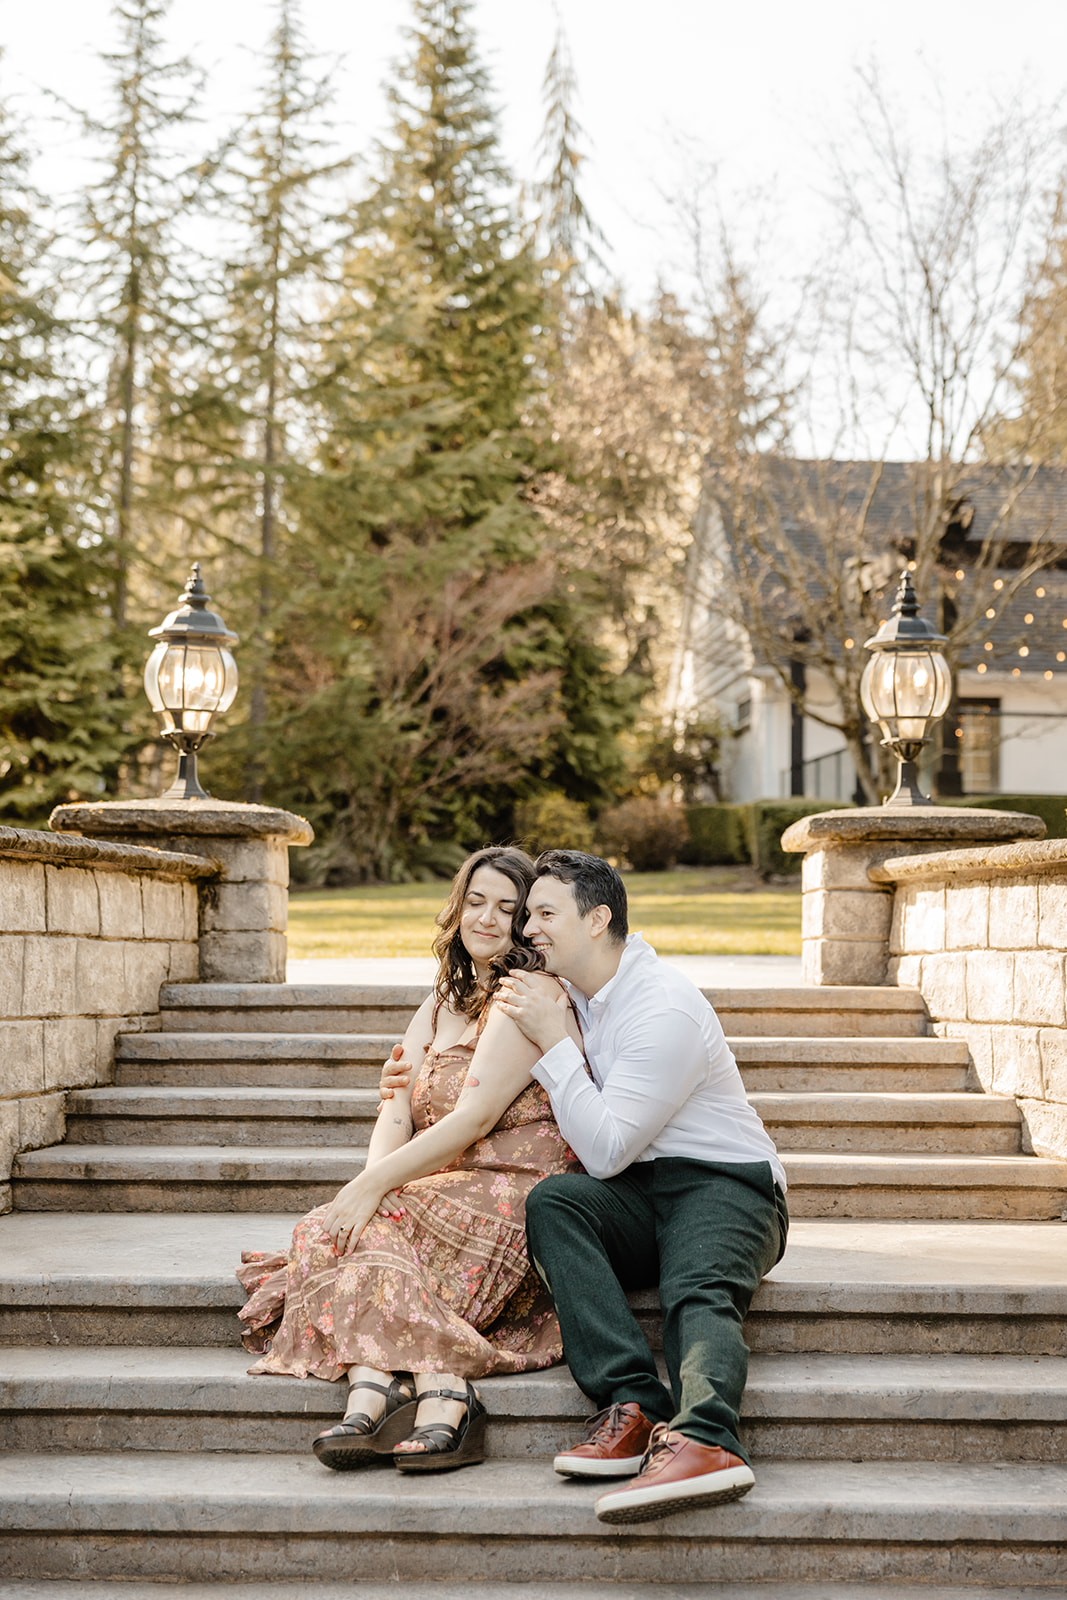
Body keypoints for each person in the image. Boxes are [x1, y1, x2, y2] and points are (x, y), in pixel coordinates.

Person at [381, 848, 787, 1520]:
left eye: (543, 914)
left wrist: (557, 1045)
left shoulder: (664, 1008)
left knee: (696, 1287)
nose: (527, 928)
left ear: (596, 919)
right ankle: (630, 1406)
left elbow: (603, 1149)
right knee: (555, 1202)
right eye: (528, 913)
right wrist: (409, 1078)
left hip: (724, 1184)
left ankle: (706, 1440)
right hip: (637, 1189)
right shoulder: (572, 993)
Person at [237, 846, 582, 1475]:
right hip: (446, 1181)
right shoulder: (442, 1000)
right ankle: (380, 1385)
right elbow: (397, 1108)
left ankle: (434, 1395)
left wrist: (373, 1189)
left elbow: (472, 1121)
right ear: (458, 908)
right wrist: (367, 1186)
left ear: (527, 920)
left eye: (507, 908)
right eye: (476, 902)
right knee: (331, 1226)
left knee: (365, 1220)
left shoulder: (527, 996)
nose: (487, 918)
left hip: (516, 1185)